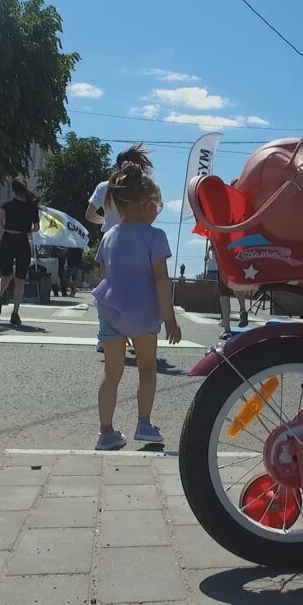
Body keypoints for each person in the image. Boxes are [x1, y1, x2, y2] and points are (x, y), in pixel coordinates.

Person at [90, 162, 181, 449]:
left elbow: (104, 276)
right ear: (144, 204)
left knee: (112, 372)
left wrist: (116, 315)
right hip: (142, 310)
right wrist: (170, 317)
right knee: (146, 368)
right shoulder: (156, 237)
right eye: (157, 204)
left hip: (111, 309)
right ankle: (144, 423)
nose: (158, 210)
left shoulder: (108, 236)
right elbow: (161, 280)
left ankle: (106, 432)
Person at [86, 145, 154, 352]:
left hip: (110, 242)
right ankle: (134, 332)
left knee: (107, 289)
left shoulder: (104, 187)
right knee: (135, 290)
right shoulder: (144, 188)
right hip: (137, 243)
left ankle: (105, 337)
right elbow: (153, 214)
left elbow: (89, 214)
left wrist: (105, 221)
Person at [0, 178, 41, 327]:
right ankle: (15, 313)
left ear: (13, 189)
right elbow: (37, 228)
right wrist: (27, 229)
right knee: (20, 279)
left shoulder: (7, 205)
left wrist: (6, 228)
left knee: (5, 274)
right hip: (22, 241)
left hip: (7, 240)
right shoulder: (32, 207)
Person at [207, 239, 249, 339]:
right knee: (237, 284)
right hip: (236, 255)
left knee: (224, 293)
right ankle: (242, 308)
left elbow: (214, 244)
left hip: (223, 258)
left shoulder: (216, 224)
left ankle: (227, 328)